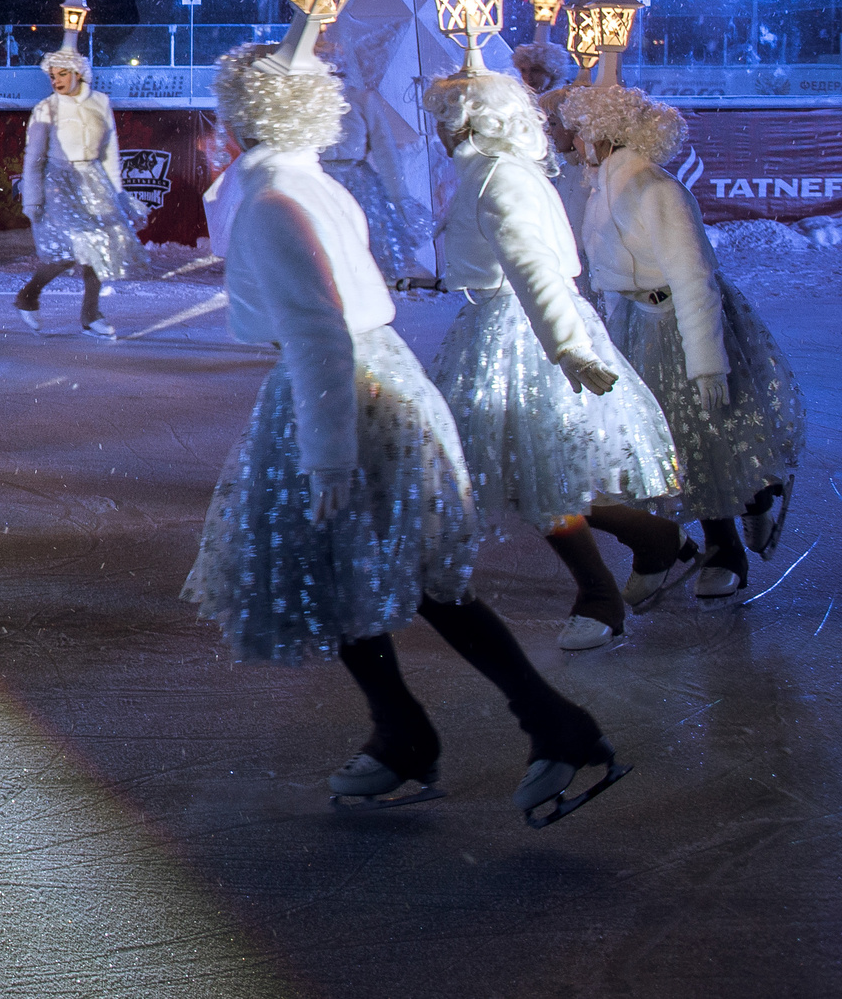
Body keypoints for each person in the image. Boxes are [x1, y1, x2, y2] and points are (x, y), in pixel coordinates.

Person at [184, 41, 626, 826]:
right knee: (395, 573)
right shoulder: (304, 186)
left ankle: (444, 729)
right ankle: (454, 728)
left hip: (337, 389)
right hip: (373, 379)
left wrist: (326, 458)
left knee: (333, 569)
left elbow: (319, 331)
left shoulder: (273, 201)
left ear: (243, 114)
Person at [420, 71, 681, 649]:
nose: (437, 130)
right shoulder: (498, 171)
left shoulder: (497, 178)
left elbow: (533, 268)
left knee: (535, 470)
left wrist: (566, 349)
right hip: (514, 325)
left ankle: (600, 595)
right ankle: (652, 540)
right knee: (538, 470)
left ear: (470, 123)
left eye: (445, 117)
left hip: (523, 332)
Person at [562, 82, 806, 599]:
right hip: (640, 324)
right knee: (678, 442)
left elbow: (694, 276)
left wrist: (706, 362)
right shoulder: (601, 185)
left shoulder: (654, 188)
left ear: (604, 134)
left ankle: (739, 525)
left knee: (708, 433)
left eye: (582, 131)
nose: (574, 140)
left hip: (684, 322)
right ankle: (731, 526)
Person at [14, 48, 140, 338]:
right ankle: (29, 295)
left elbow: (109, 152)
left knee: (98, 246)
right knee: (68, 250)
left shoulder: (101, 103)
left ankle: (90, 313)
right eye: (52, 75)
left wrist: (117, 193)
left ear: (78, 73)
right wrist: (32, 198)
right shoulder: (46, 108)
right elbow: (33, 158)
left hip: (93, 180)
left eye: (62, 74)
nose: (56, 80)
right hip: (59, 182)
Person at [320, 60, 426, 285]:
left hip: (357, 181)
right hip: (320, 177)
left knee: (363, 237)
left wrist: (399, 195)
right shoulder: (308, 101)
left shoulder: (362, 99)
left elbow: (385, 148)